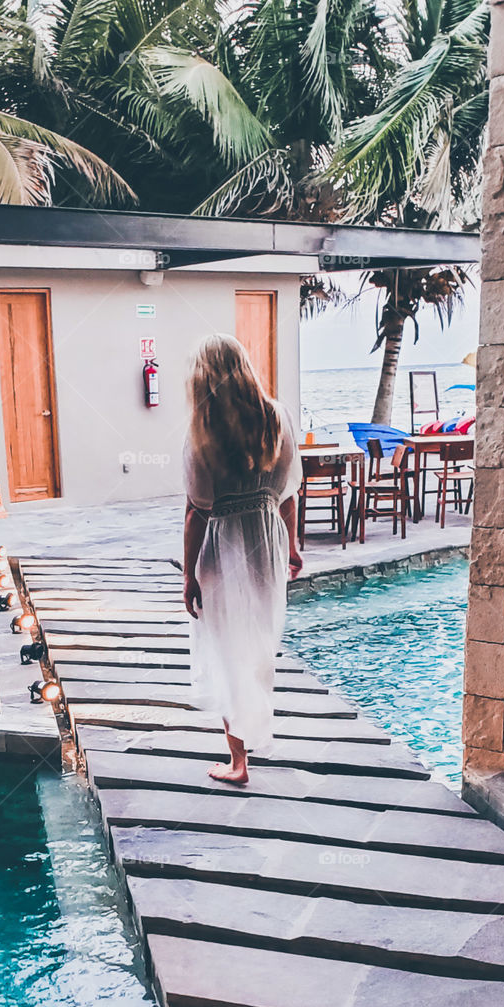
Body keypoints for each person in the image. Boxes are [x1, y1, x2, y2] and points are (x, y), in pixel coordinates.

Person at [183, 334, 303, 785]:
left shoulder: (202, 431)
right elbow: (289, 493)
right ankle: (251, 733)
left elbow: (197, 510)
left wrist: (189, 576)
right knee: (257, 644)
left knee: (226, 649)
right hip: (266, 540)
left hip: (224, 542)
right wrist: (290, 547)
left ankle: (238, 762)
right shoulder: (278, 418)